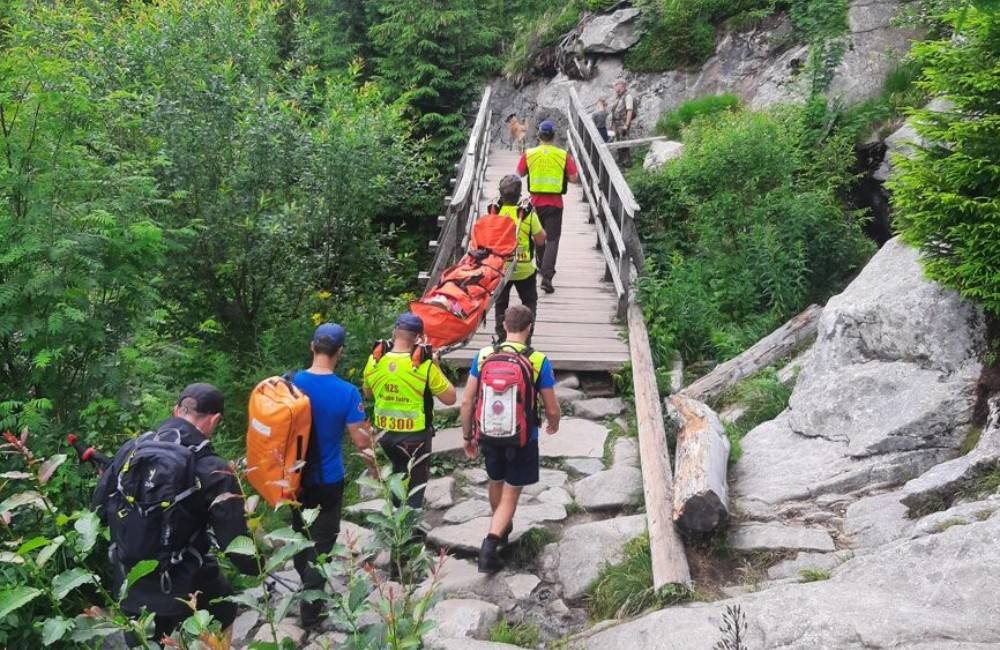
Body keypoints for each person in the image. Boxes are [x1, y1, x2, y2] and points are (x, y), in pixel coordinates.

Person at [92, 383, 259, 645]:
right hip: (184, 585)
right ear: (215, 420)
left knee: (143, 640)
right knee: (225, 608)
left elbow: (99, 510)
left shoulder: (131, 450)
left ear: (176, 410)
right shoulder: (214, 469)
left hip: (130, 583)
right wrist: (255, 566)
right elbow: (235, 544)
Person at [459, 305, 560, 573]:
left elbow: (467, 400)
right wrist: (554, 423)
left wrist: (468, 435)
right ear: (529, 328)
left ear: (504, 326)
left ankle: (500, 528)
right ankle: (490, 545)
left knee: (495, 481)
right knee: (512, 491)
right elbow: (551, 407)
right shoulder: (538, 360)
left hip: (488, 432)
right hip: (522, 436)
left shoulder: (483, 355)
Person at [291, 322, 378, 627]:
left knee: (300, 535)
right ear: (340, 352)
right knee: (323, 543)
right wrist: (374, 472)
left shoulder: (290, 383)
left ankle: (307, 585)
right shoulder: (346, 392)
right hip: (328, 479)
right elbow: (361, 441)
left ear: (312, 347)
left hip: (292, 480)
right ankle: (311, 612)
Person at [363, 313, 456, 508]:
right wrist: (436, 365)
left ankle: (397, 519)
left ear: (394, 333)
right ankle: (409, 532)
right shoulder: (424, 365)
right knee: (415, 484)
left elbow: (368, 393)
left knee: (398, 474)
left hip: (385, 435)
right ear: (418, 338)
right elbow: (450, 398)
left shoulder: (375, 361)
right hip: (415, 438)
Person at [516, 120, 579, 295]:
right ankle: (547, 277)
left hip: (535, 203)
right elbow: (574, 178)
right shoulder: (562, 155)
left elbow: (518, 174)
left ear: (539, 136)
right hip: (555, 203)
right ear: (554, 136)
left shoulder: (530, 154)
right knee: (552, 239)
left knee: (538, 237)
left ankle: (541, 266)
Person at [491, 174, 546, 341]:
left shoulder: (494, 211)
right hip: (523, 268)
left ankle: (502, 337)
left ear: (501, 193)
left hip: (500, 267)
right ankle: (526, 337)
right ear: (520, 193)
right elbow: (541, 239)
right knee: (529, 302)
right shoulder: (527, 214)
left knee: (501, 304)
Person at [610, 79, 636, 165]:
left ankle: (627, 161)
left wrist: (626, 124)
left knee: (624, 141)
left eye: (616, 85)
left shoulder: (627, 96)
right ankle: (621, 160)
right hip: (616, 124)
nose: (615, 87)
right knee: (618, 141)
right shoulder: (619, 96)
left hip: (623, 123)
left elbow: (629, 110)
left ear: (621, 85)